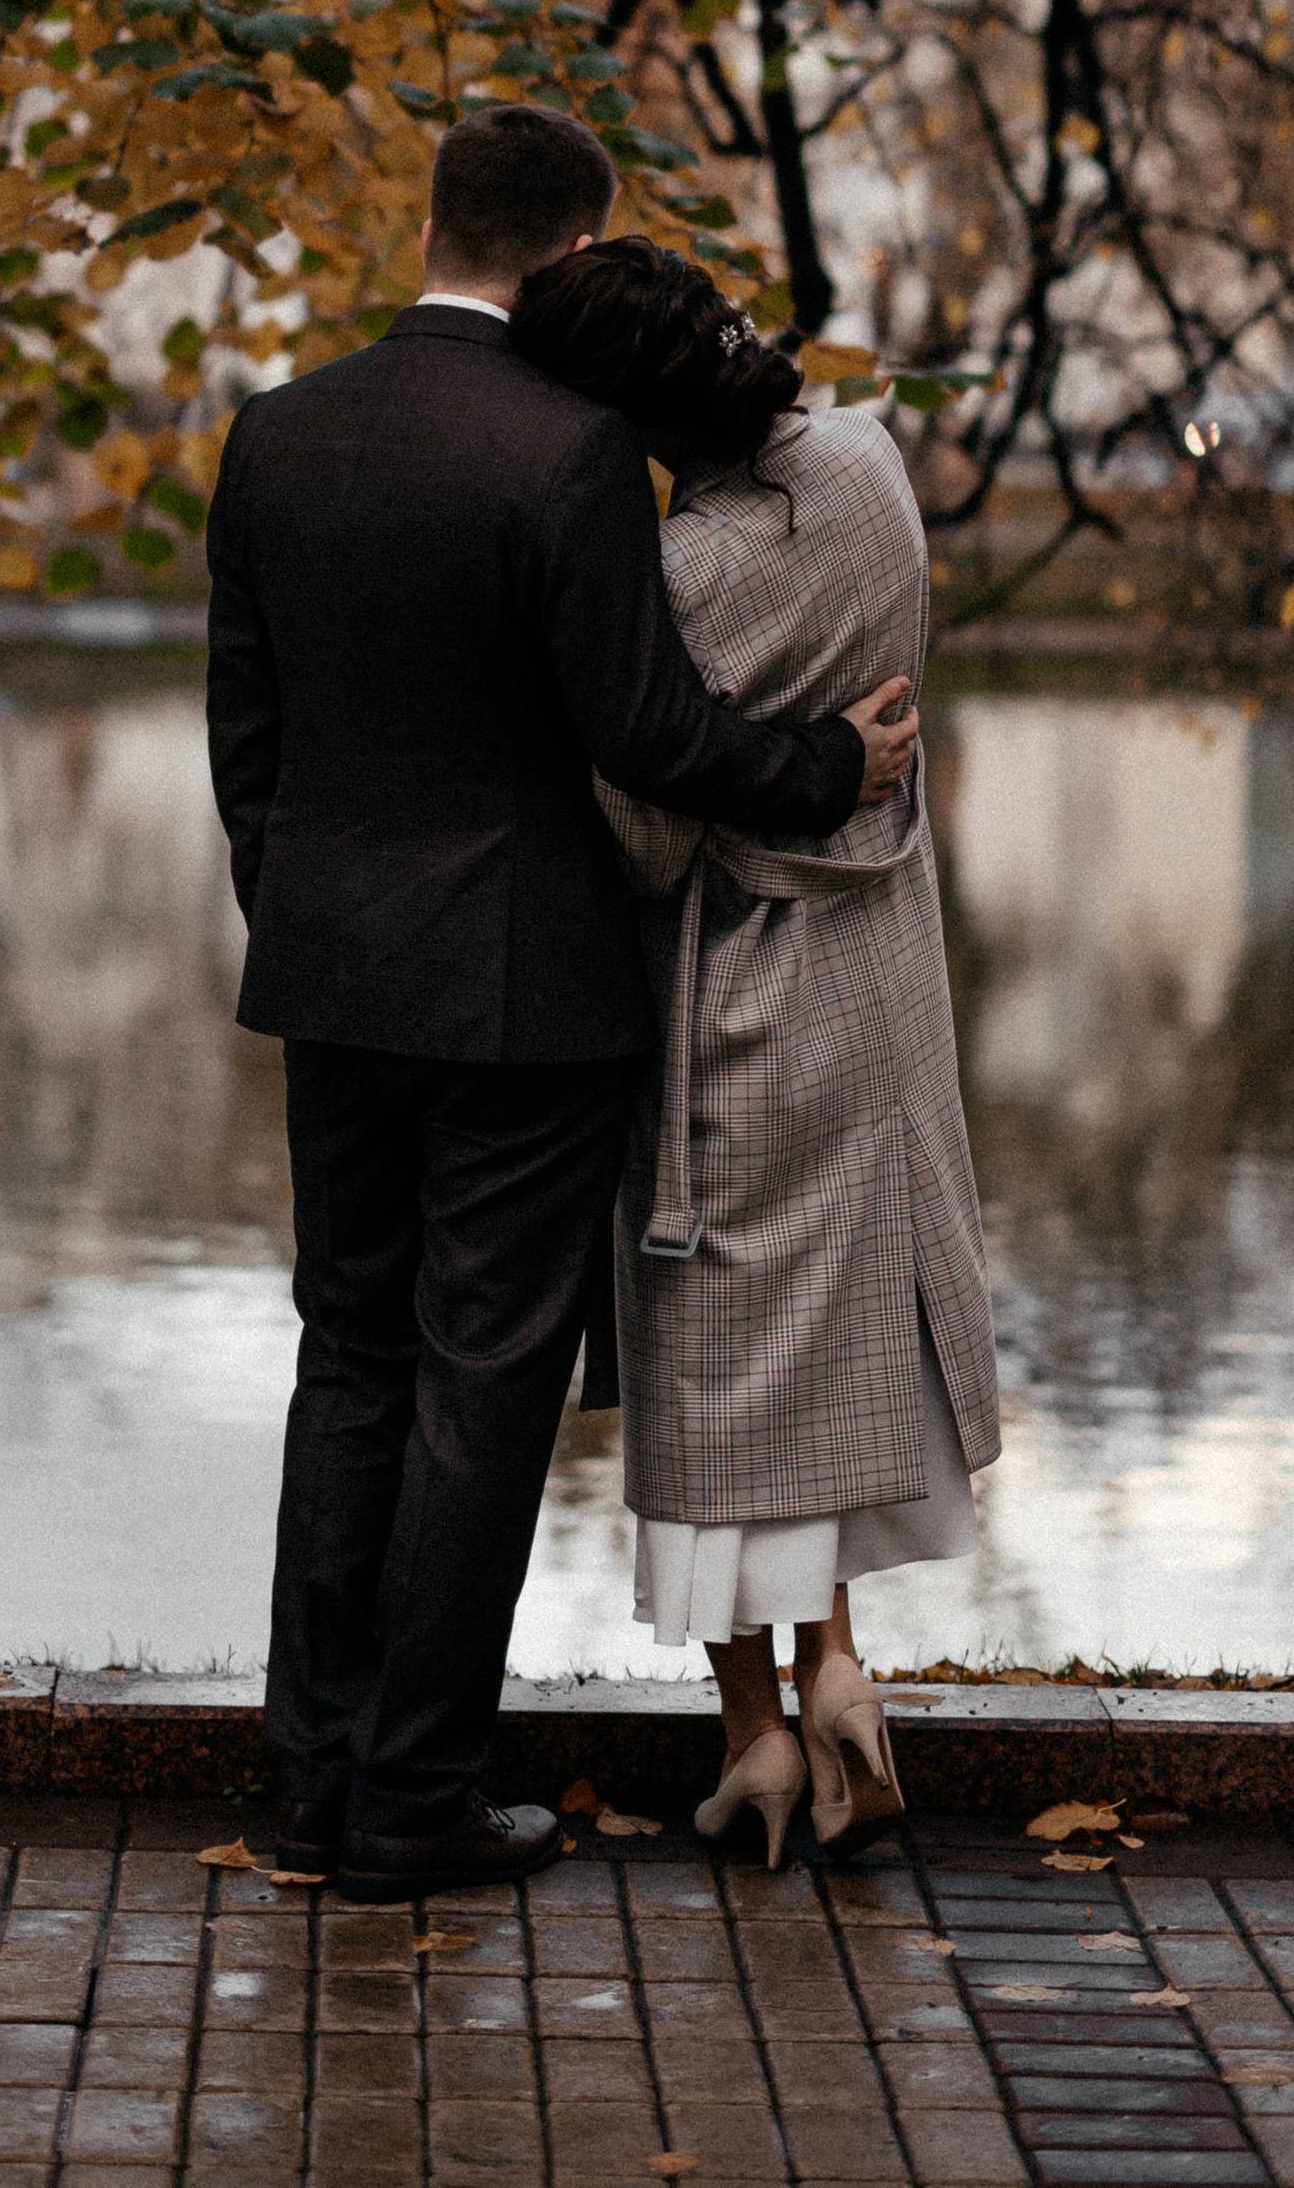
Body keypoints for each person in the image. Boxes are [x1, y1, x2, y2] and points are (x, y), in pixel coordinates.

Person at [205, 103, 921, 1906]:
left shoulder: (279, 432)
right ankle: (417, 1800)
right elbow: (648, 735)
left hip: (331, 976)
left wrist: (304, 917)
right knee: (483, 1388)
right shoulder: (575, 447)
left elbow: (249, 742)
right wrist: (829, 762)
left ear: (439, 220)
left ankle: (311, 1782)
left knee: (350, 1361)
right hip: (527, 995)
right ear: (575, 244)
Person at [506, 235, 1000, 1868]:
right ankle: (843, 1670)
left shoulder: (680, 583)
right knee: (842, 1333)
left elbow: (648, 848)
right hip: (883, 976)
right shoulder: (869, 464)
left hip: (733, 999)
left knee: (718, 1356)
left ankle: (755, 1738)